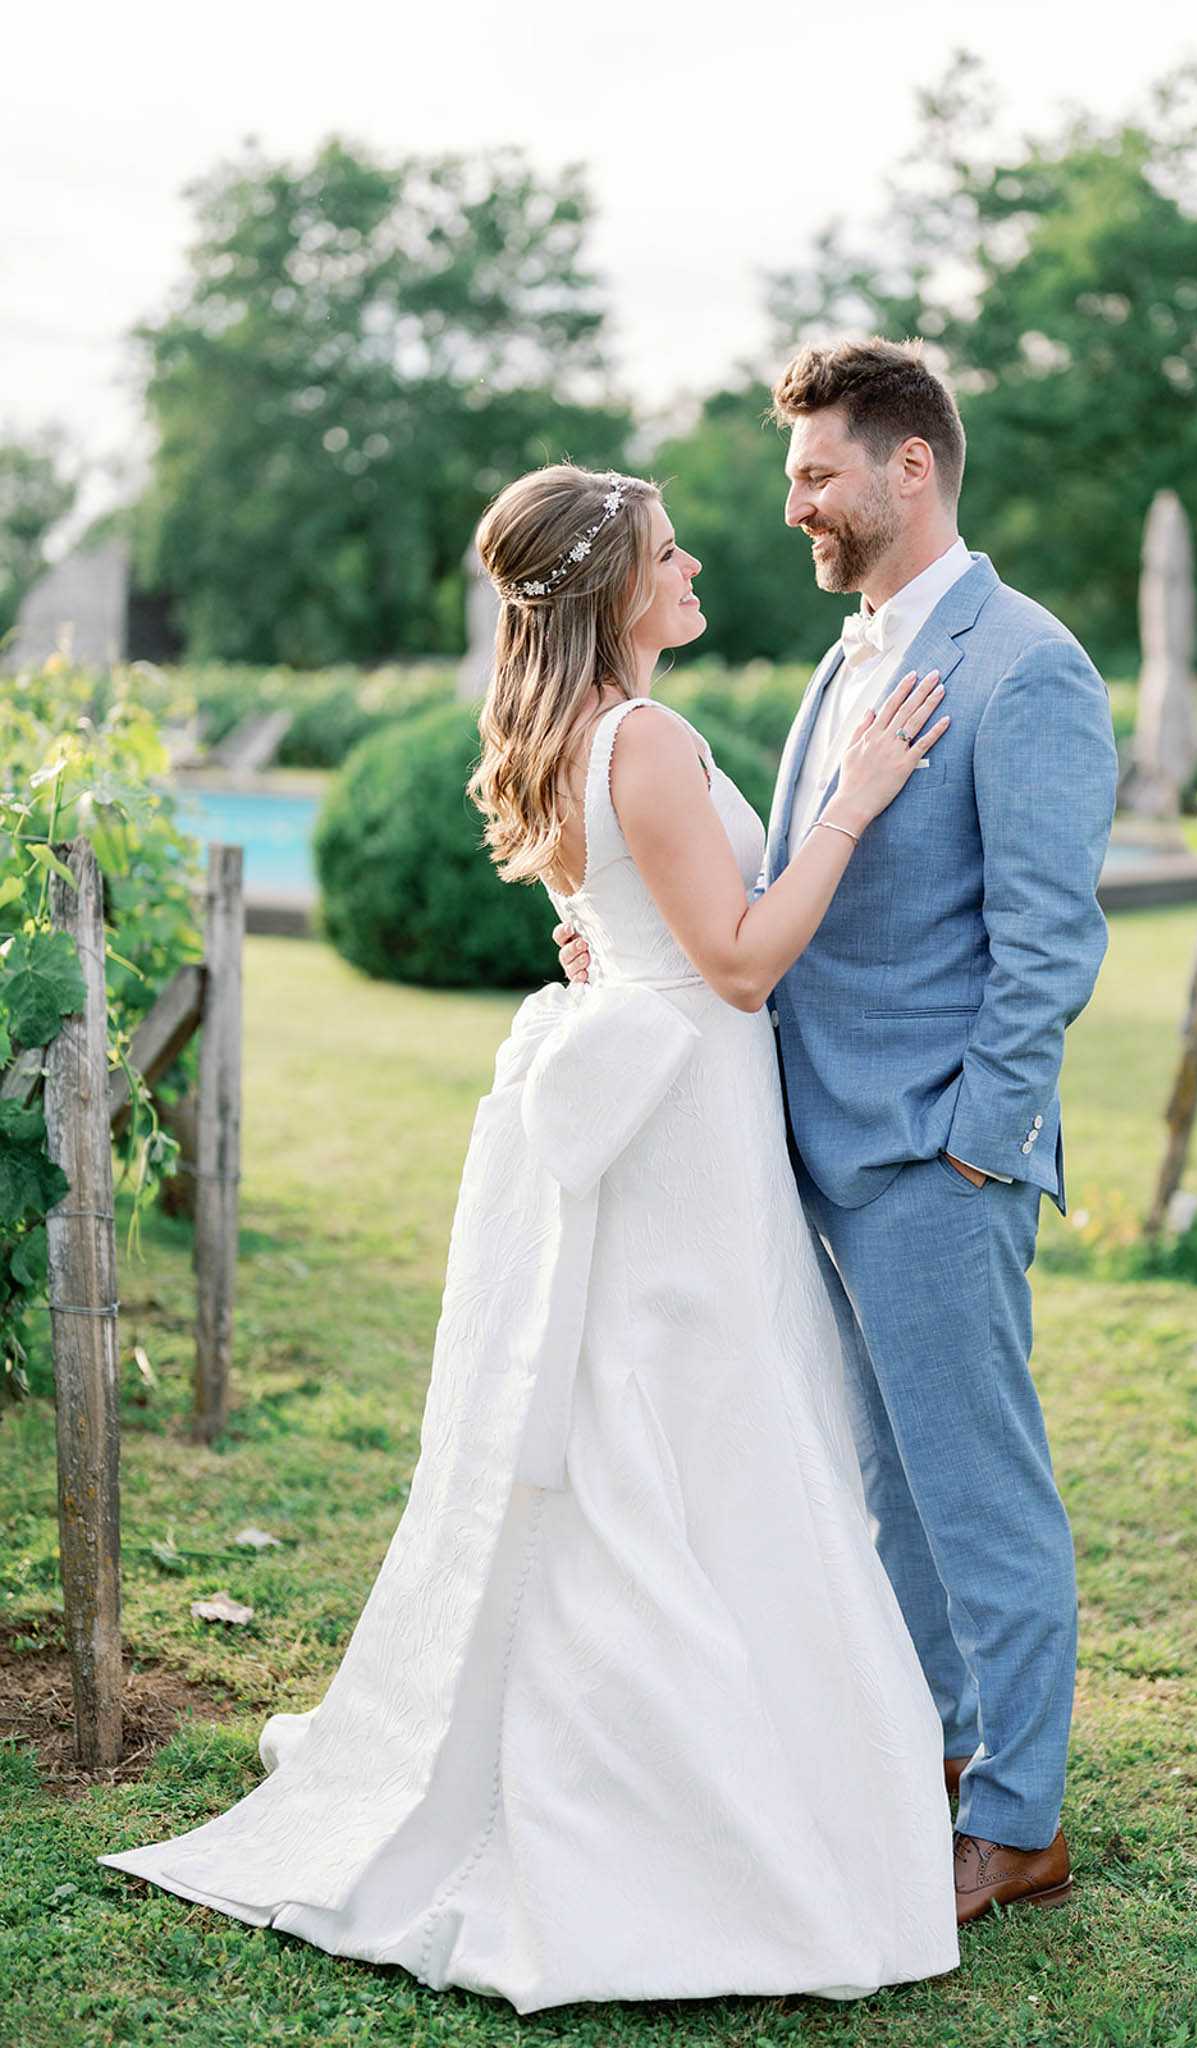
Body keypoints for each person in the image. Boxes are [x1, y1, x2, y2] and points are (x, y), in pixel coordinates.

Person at [98, 462, 963, 2014]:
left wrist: (626, 939)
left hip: (662, 1107)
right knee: (690, 1429)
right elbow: (746, 962)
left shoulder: (578, 736)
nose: (695, 564)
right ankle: (677, 1805)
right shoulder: (645, 738)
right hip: (686, 1118)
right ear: (610, 590)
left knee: (654, 1414)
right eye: (666, 552)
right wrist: (853, 801)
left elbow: (633, 926)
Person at [557, 338, 1119, 1924]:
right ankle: (941, 1759)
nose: (793, 504)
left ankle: (1019, 1820)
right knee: (894, 1487)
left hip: (933, 1161)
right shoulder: (850, 651)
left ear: (908, 468)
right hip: (814, 1147)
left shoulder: (1028, 665)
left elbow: (1046, 946)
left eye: (815, 473)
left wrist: (975, 1143)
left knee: (980, 1490)